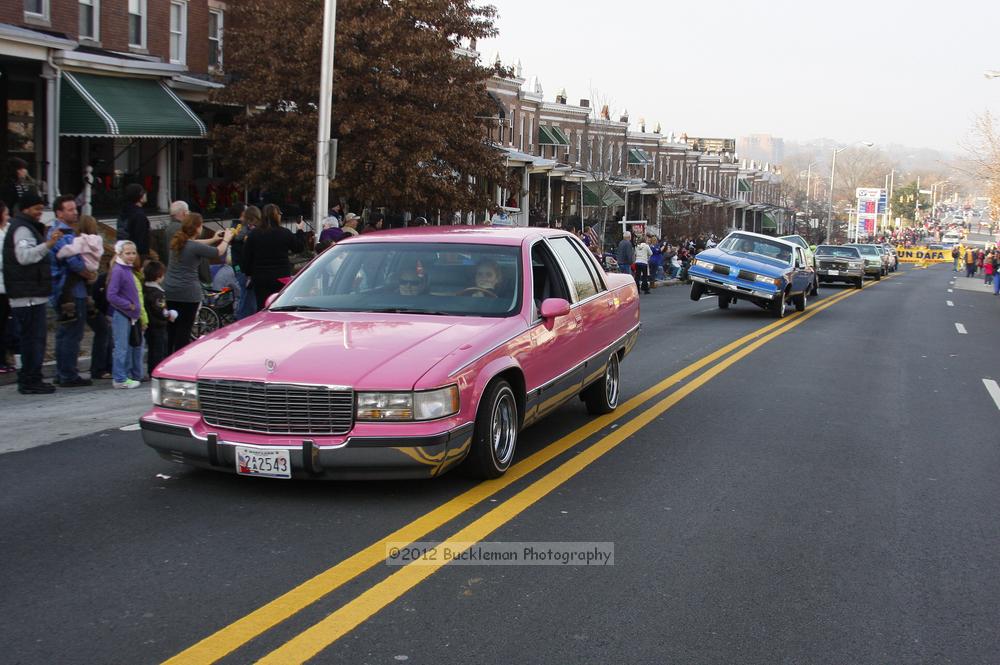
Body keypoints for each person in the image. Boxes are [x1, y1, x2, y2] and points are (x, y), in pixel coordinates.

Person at [2, 192, 60, 394]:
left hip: (31, 292)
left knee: (34, 339)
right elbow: (24, 257)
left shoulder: (25, 227)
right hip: (27, 296)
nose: (39, 213)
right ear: (26, 208)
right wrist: (48, 245)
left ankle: (32, 377)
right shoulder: (22, 229)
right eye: (37, 209)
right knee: (32, 339)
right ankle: (29, 380)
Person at [163, 213, 233, 353]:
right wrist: (226, 239)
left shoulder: (177, 242)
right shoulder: (192, 246)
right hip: (188, 293)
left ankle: (167, 357)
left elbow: (195, 244)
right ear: (197, 228)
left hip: (170, 291)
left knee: (172, 329)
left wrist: (213, 239)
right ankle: (180, 360)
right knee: (184, 329)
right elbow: (218, 252)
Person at [48, 196, 96, 387]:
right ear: (59, 213)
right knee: (71, 333)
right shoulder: (61, 234)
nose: (74, 212)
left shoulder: (66, 232)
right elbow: (74, 262)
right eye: (69, 209)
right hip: (69, 291)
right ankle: (68, 374)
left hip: (67, 289)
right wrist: (89, 273)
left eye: (75, 209)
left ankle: (63, 372)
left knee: (65, 333)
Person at [241, 204, 306, 309]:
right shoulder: (284, 233)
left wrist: (249, 273)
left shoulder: (254, 234)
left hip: (260, 277)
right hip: (281, 276)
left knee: (262, 307)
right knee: (280, 306)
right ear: (277, 216)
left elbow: (246, 257)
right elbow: (299, 248)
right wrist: (300, 231)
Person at [107, 241, 143, 389]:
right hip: (122, 313)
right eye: (128, 253)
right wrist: (129, 305)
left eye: (133, 253)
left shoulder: (126, 269)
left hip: (128, 314)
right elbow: (111, 295)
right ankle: (120, 378)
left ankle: (124, 375)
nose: (131, 256)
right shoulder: (119, 270)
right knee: (121, 347)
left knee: (126, 346)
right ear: (119, 254)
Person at [143, 261, 173, 377]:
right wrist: (169, 315)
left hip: (150, 324)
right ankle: (158, 370)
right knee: (159, 349)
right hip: (159, 325)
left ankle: (151, 369)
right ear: (159, 276)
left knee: (152, 348)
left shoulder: (145, 289)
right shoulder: (158, 293)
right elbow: (160, 310)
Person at [232, 205, 259, 319]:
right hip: (243, 268)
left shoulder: (238, 228)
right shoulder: (242, 229)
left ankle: (244, 317)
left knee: (247, 295)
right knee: (246, 294)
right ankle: (242, 318)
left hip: (240, 267)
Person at [117, 183, 151, 259]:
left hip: (124, 253)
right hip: (137, 256)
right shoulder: (139, 215)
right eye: (143, 192)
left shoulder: (124, 212)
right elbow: (141, 239)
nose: (146, 194)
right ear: (139, 197)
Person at [0, 201, 12, 374]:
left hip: (9, 284)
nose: (8, 216)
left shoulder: (9, 229)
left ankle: (4, 358)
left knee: (5, 325)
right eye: (6, 213)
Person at [161, 200, 190, 266]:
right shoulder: (182, 229)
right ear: (184, 213)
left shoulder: (168, 228)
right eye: (188, 211)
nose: (189, 213)